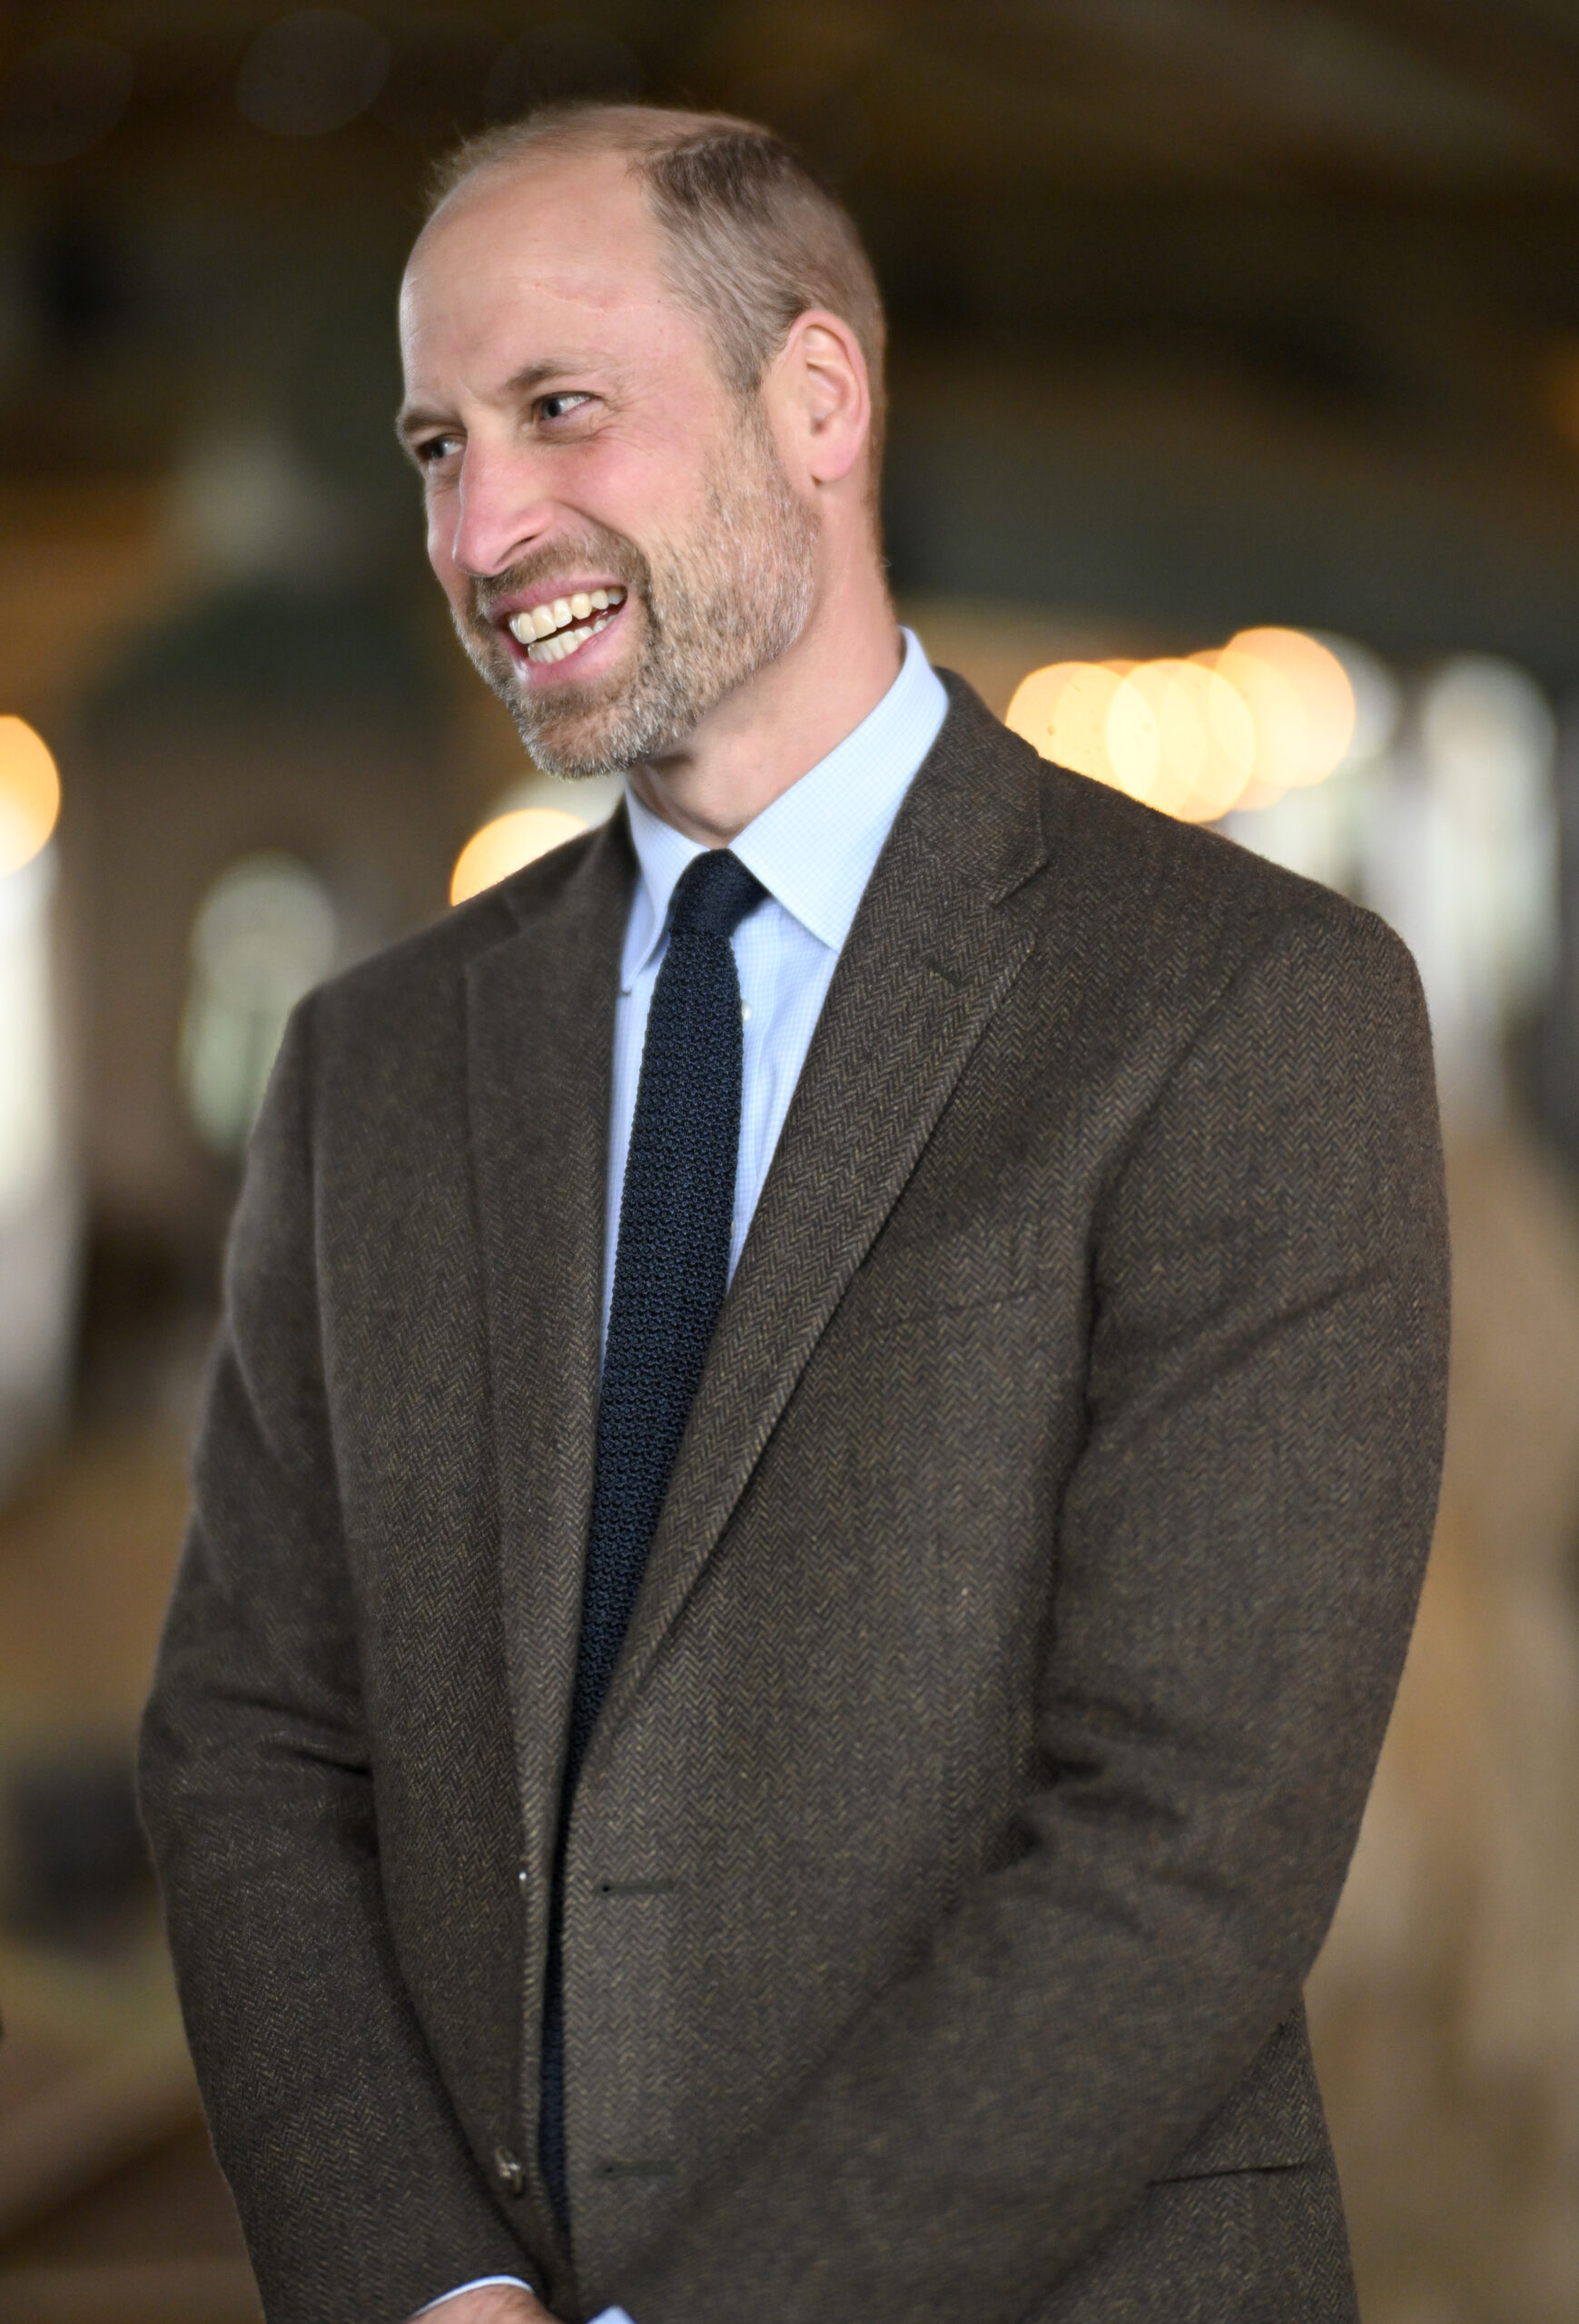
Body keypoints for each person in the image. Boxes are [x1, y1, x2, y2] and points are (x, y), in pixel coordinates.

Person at [138, 103, 1450, 2324]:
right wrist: (422, 2285)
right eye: (438, 443)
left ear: (816, 399)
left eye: (561, 410)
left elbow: (1183, 1848)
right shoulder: (370, 1064)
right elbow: (248, 1741)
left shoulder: (1247, 1009)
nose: (484, 521)